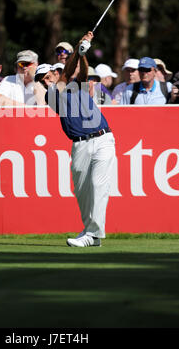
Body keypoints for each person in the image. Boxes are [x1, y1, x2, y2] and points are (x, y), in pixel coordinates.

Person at [45, 31, 116, 247]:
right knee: (83, 192)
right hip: (80, 145)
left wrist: (83, 51)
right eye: (47, 77)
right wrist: (78, 48)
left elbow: (82, 72)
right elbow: (68, 72)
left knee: (98, 185)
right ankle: (90, 233)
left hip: (104, 139)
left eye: (52, 73)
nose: (51, 77)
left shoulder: (79, 86)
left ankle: (92, 234)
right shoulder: (52, 94)